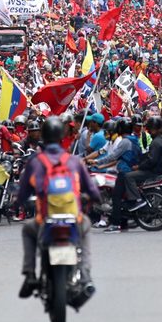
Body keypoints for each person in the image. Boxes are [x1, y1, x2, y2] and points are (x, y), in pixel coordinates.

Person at [16, 117, 101, 298]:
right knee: (85, 228)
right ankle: (85, 276)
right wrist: (95, 198)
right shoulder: (74, 161)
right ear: (62, 136)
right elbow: (92, 189)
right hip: (73, 218)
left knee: (27, 229)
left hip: (45, 219)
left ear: (43, 137)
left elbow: (22, 192)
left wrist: (18, 202)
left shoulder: (36, 161)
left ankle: (30, 274)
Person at [104, 116, 162, 233]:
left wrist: (139, 166)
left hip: (141, 171)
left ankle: (134, 204)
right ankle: (124, 222)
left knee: (118, 195)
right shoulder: (140, 140)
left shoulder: (128, 141)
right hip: (145, 169)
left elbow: (151, 160)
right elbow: (144, 156)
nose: (149, 131)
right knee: (120, 196)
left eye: (151, 129)